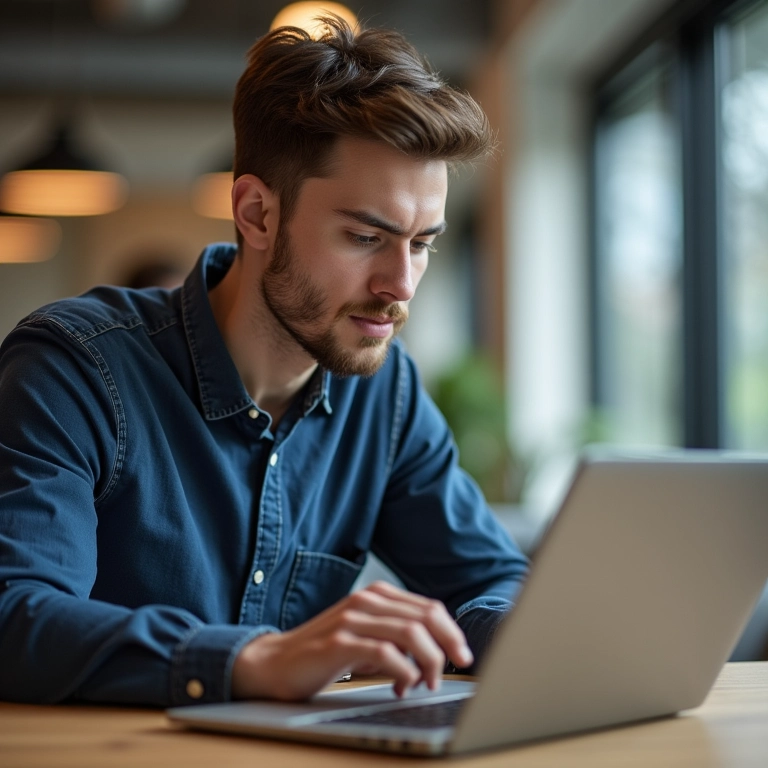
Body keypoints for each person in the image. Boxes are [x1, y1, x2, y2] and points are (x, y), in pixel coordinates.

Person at [0, 16, 528, 708]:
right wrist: (253, 660)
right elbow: (15, 615)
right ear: (256, 214)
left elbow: (494, 577)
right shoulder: (73, 370)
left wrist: (512, 631)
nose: (401, 284)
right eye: (367, 236)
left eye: (422, 243)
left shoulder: (384, 395)